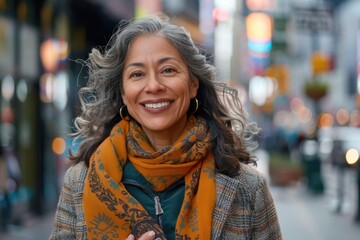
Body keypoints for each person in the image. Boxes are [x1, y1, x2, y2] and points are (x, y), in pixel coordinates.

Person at [49, 13, 282, 240]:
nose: (153, 86)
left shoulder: (249, 188)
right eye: (137, 74)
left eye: (168, 70)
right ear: (123, 92)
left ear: (193, 85)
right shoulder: (79, 182)